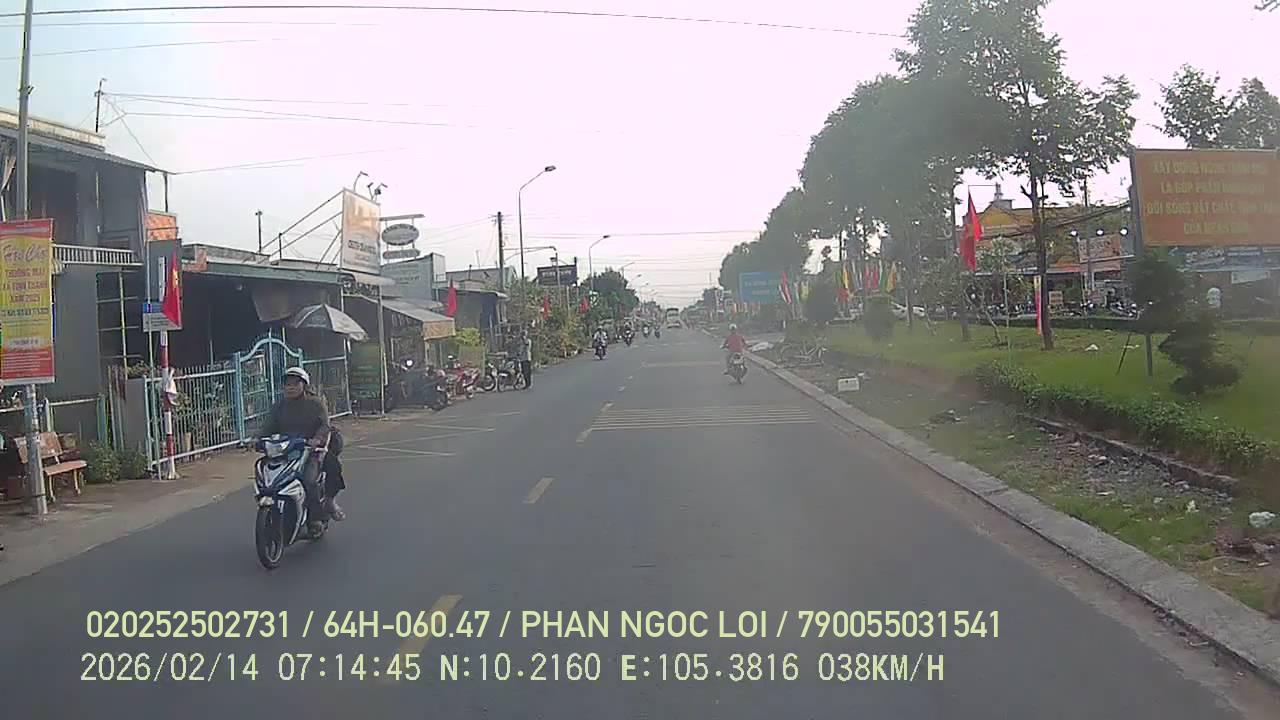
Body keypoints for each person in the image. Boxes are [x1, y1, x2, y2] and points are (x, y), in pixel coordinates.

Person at [262, 367, 345, 534]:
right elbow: (267, 427)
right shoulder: (279, 406)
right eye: (287, 384)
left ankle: (317, 516)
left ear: (304, 385)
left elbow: (324, 425)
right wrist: (256, 439)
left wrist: (317, 440)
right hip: (284, 451)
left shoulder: (315, 404)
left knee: (309, 480)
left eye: (295, 384)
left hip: (310, 451)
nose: (290, 388)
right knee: (267, 475)